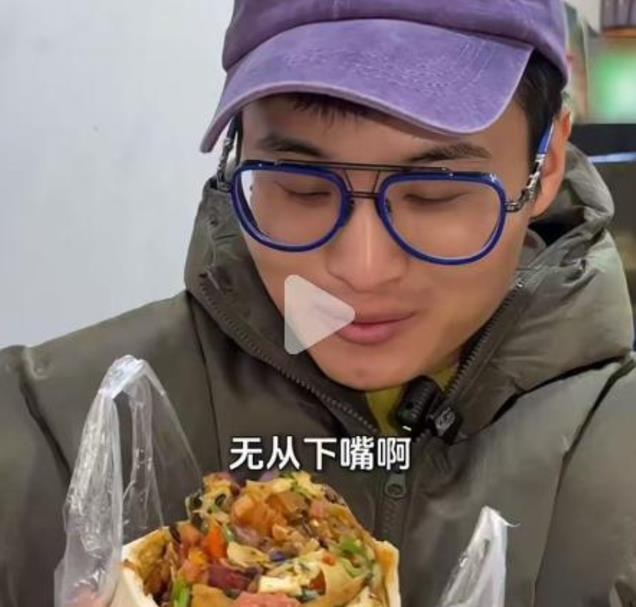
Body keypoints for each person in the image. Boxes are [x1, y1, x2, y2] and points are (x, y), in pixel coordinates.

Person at [1, 1, 635, 606]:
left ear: (547, 163)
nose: (362, 269)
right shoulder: (41, 428)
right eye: (301, 187)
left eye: (435, 193)